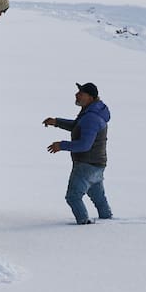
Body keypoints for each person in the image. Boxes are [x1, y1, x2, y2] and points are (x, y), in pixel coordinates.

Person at [44, 81, 112, 224]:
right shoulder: (92, 112)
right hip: (97, 164)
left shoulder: (91, 118)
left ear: (91, 98)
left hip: (86, 165)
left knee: (73, 197)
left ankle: (84, 226)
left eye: (81, 93)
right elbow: (78, 127)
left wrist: (61, 145)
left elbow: (84, 145)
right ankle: (108, 222)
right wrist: (57, 122)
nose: (77, 95)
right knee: (98, 197)